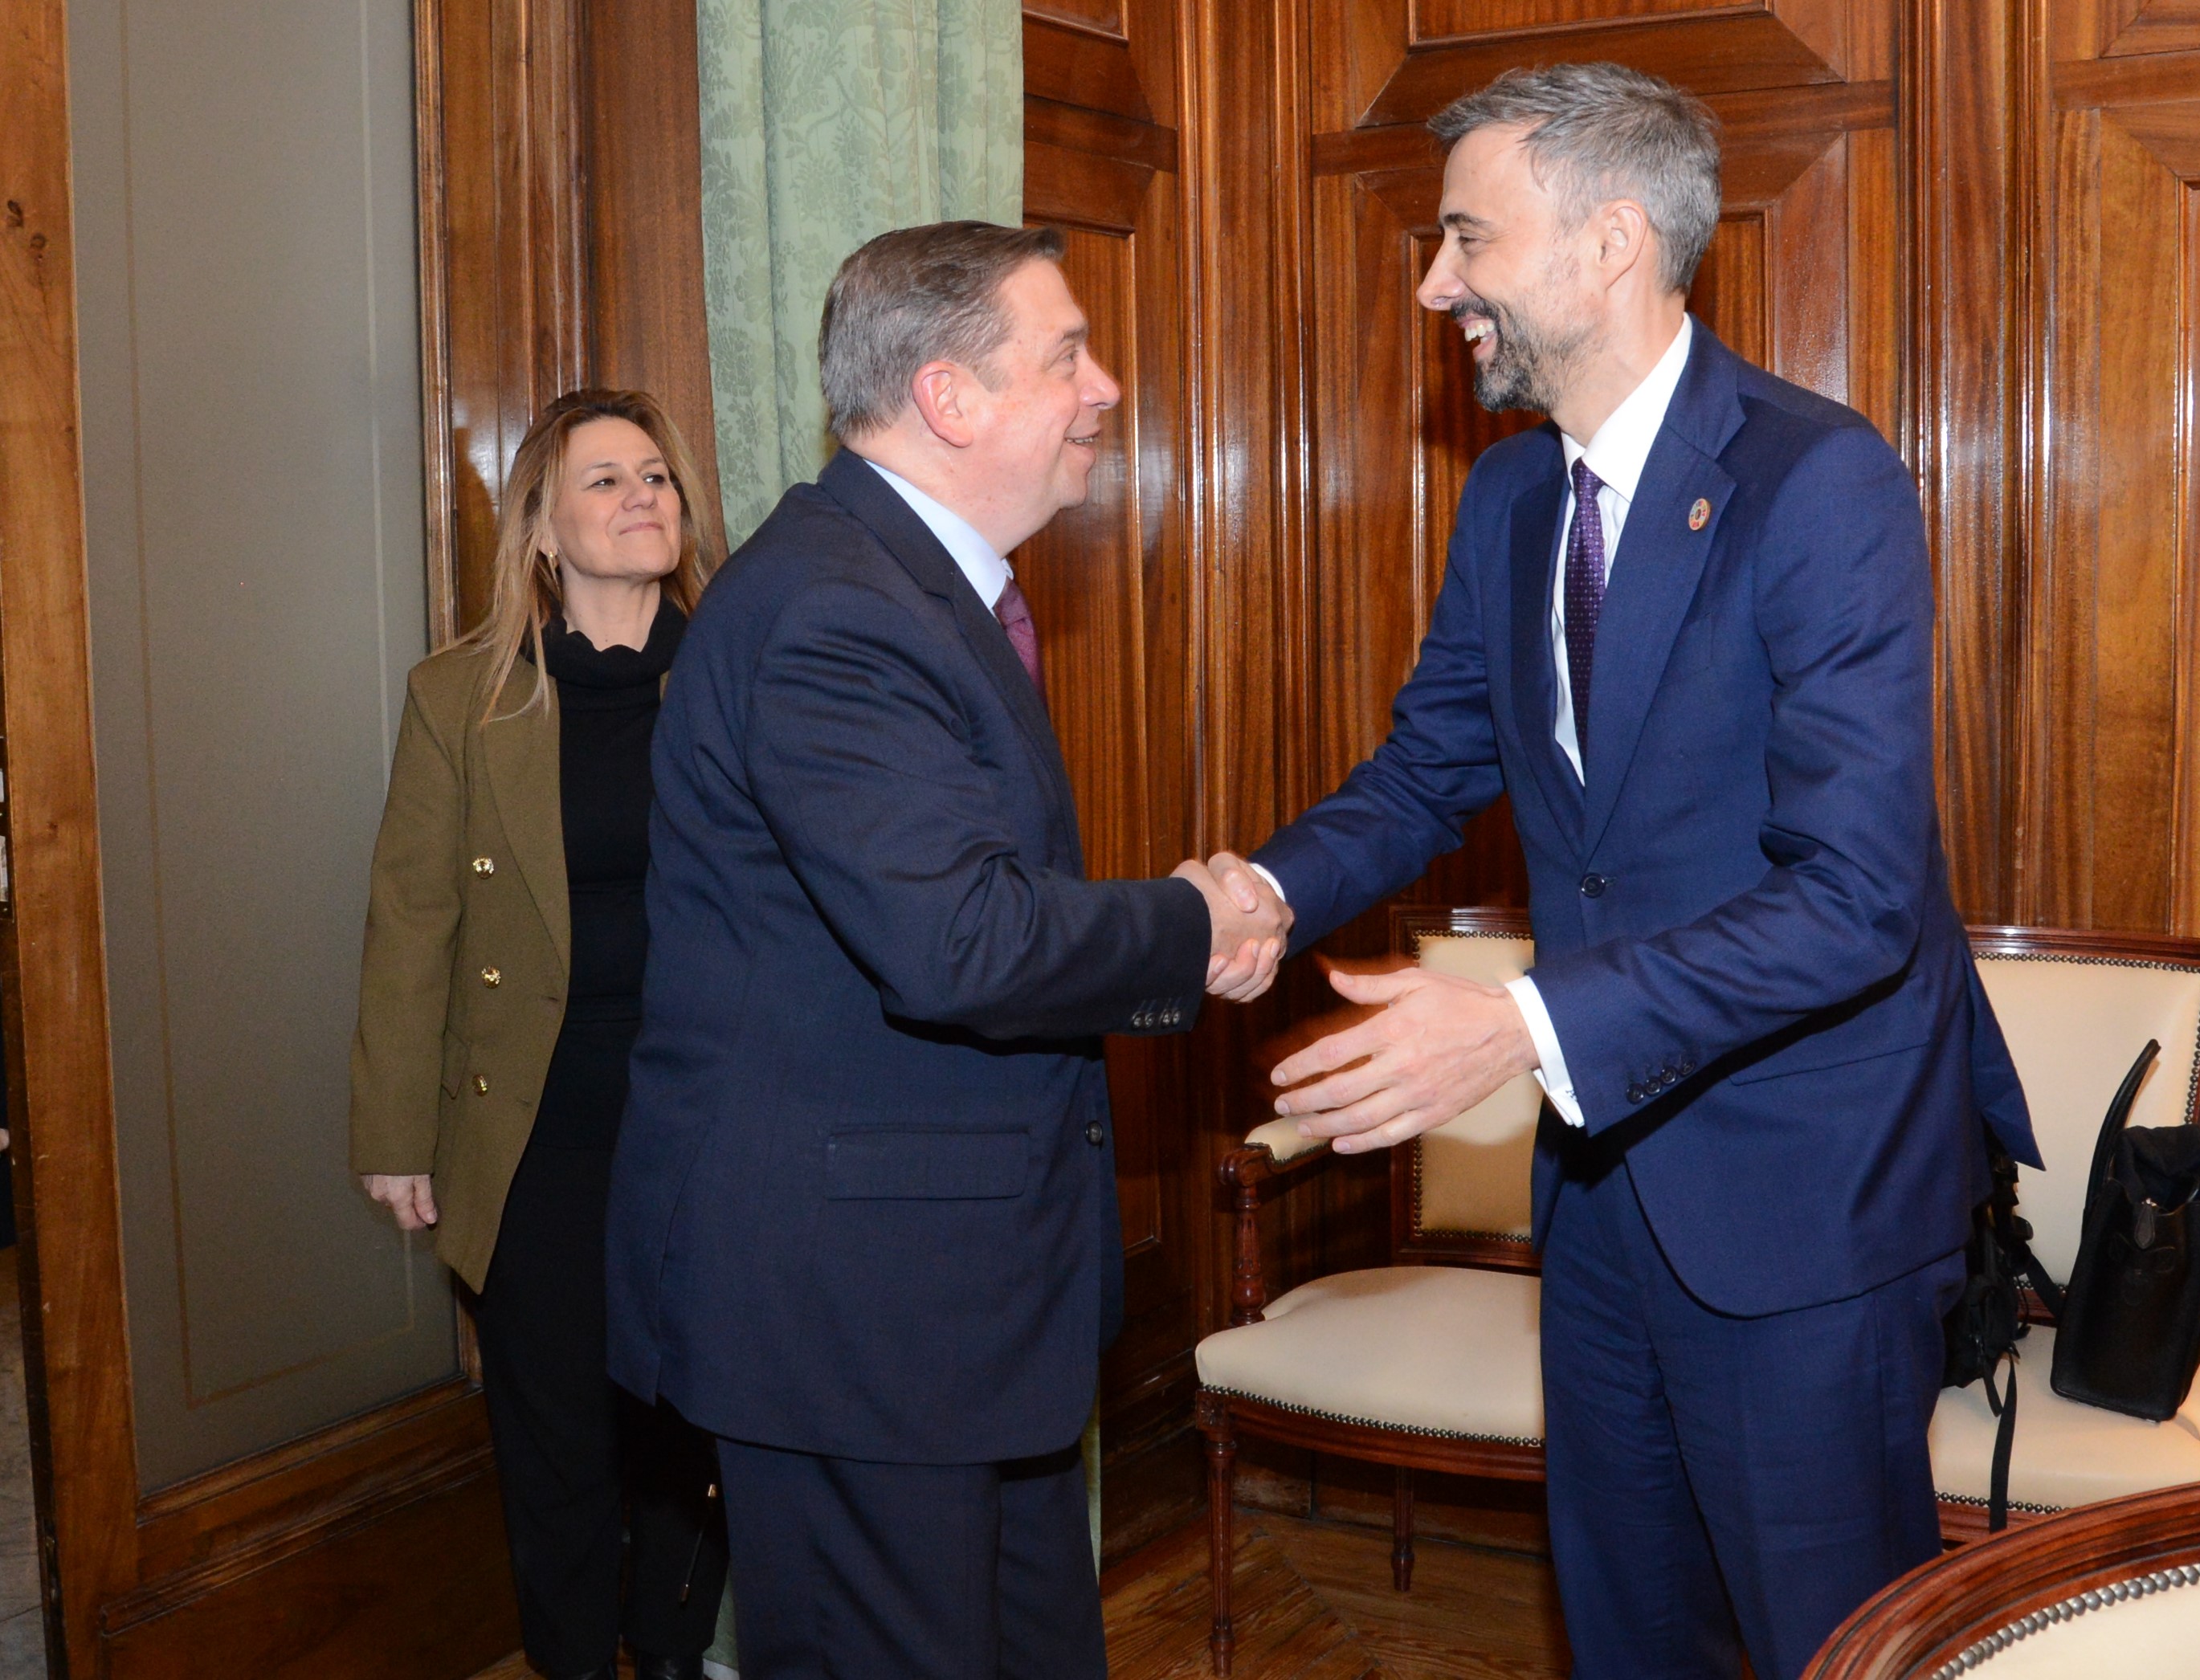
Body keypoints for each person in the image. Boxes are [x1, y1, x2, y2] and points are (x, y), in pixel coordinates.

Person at [1205, 64, 2036, 1679]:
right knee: (1631, 1633)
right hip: (1602, 1195)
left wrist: (1522, 1024)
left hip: (1802, 1201)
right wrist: (1268, 893)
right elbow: (1431, 766)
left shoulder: (1819, 481)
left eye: (1468, 237)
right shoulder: (1514, 494)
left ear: (1609, 244)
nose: (1436, 284)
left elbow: (1855, 896)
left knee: (1829, 1646)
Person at [604, 221, 1285, 1680]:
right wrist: (1193, 924)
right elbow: (959, 940)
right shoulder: (836, 609)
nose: (1105, 387)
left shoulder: (909, 584)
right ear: (948, 397)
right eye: (1066, 356)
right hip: (852, 1314)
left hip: (950, 1302)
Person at [349, 389, 731, 1680]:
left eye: (657, 476)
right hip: (536, 1136)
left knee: (691, 1430)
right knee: (559, 1443)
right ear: (545, 531)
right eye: (605, 480)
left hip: (706, 1122)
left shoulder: (740, 676)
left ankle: (670, 1655)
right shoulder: (461, 697)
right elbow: (412, 920)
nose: (643, 497)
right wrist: (395, 1131)